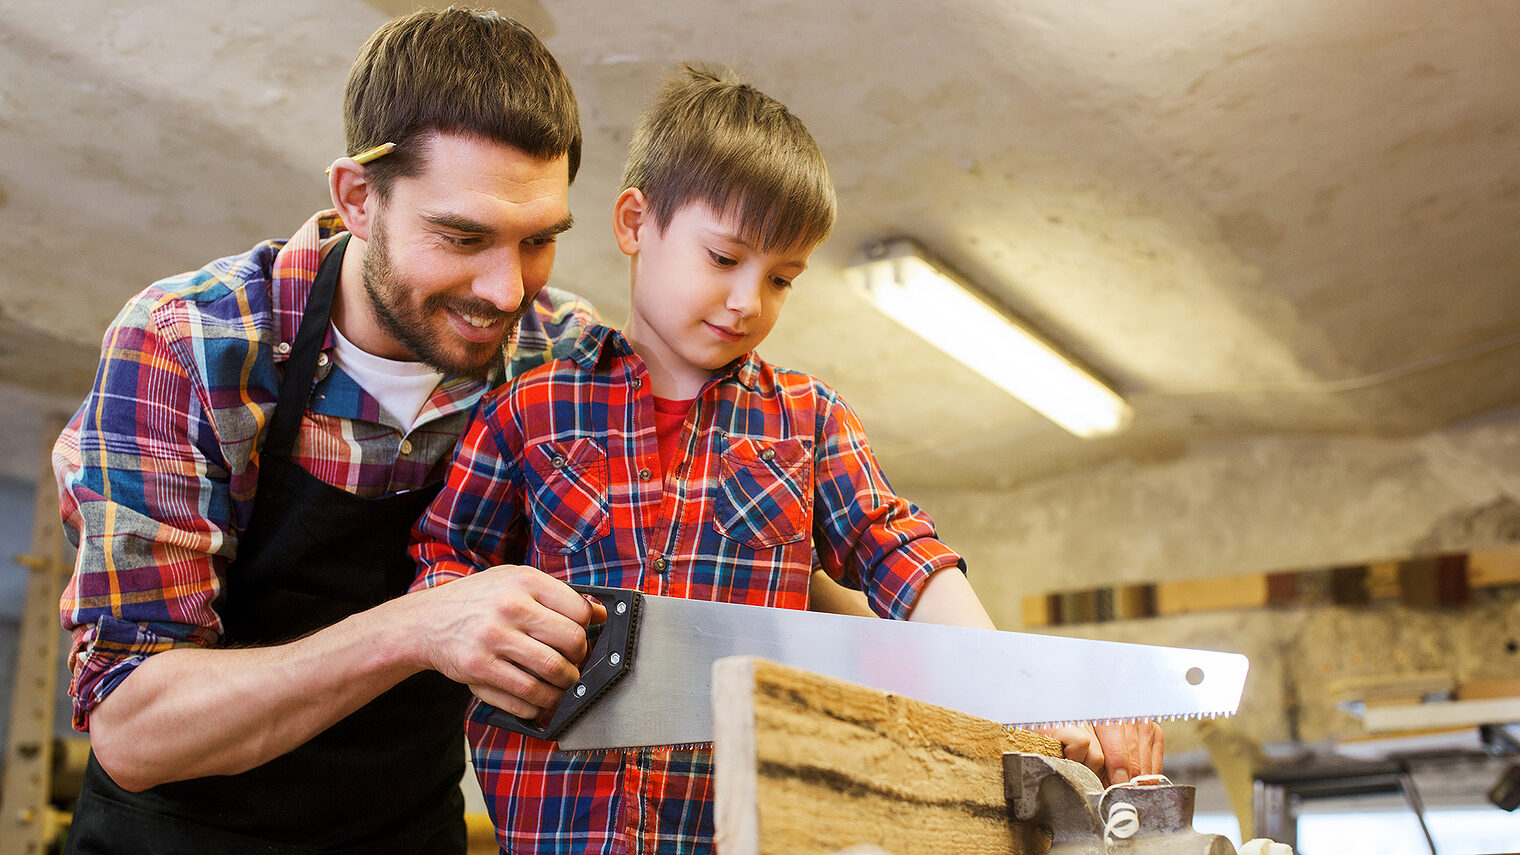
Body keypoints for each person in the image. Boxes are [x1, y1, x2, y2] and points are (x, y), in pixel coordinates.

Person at [410, 65, 1162, 855]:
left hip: (745, 829)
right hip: (560, 828)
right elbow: (443, 564)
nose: (747, 300)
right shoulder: (530, 410)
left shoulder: (808, 424)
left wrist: (1019, 687)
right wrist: (487, 641)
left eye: (781, 278)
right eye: (724, 257)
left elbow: (902, 553)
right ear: (636, 222)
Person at [52, 9, 609, 853]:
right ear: (357, 197)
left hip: (404, 829)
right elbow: (133, 732)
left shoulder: (557, 356)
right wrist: (421, 626)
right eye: (463, 236)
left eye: (539, 241)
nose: (505, 289)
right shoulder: (189, 343)